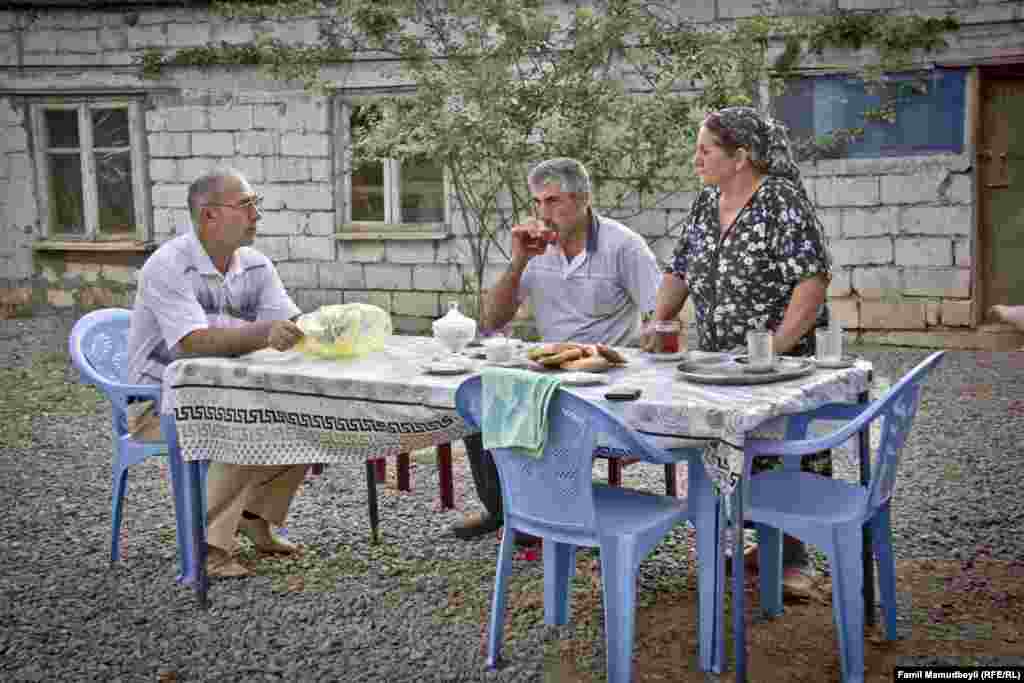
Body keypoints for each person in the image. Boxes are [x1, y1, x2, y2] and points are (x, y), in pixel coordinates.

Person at [643, 107, 832, 598]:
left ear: (741, 156)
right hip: (718, 358)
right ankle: (760, 544)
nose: (696, 158)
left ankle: (793, 557)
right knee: (732, 447)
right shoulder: (708, 202)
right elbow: (680, 268)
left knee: (780, 451)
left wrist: (775, 348)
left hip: (779, 358)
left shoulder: (780, 200)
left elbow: (811, 281)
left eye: (705, 149)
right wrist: (659, 320)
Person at [451, 157, 662, 540]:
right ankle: (507, 511)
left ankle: (539, 518)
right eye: (538, 203)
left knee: (529, 408)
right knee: (482, 402)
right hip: (548, 371)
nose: (543, 213)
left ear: (583, 199)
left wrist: (641, 354)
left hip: (603, 376)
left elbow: (661, 314)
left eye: (553, 201)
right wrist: (519, 261)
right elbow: (492, 320)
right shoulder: (536, 249)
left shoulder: (624, 246)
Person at [126, 168, 309, 578]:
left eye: (255, 205)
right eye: (246, 205)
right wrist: (264, 333)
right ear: (209, 216)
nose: (256, 215)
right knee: (238, 422)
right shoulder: (168, 266)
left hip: (227, 389)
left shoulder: (257, 265)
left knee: (304, 414)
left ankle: (251, 516)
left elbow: (290, 322)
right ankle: (207, 548)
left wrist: (319, 329)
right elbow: (193, 342)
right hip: (158, 404)